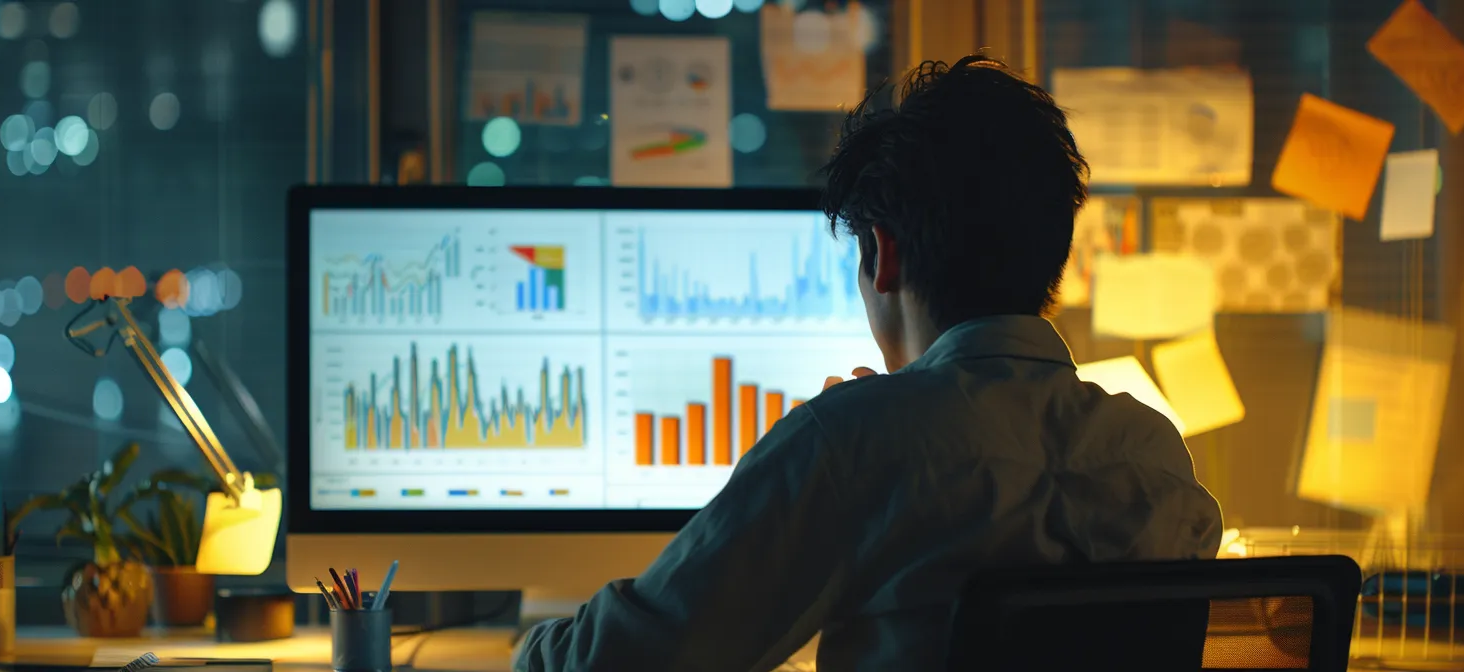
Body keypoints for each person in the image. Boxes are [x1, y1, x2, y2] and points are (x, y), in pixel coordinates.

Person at [513, 56, 1223, 672]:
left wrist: (527, 650)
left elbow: (620, 663)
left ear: (881, 255)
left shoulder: (852, 446)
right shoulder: (1155, 451)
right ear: (1053, 253)